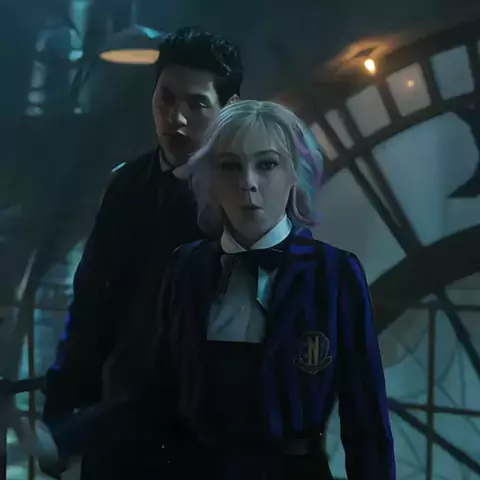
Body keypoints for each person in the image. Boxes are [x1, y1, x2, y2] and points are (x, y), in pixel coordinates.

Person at [140, 99, 396, 479]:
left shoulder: (333, 274)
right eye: (230, 166)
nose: (248, 183)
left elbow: (366, 420)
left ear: (295, 174)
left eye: (267, 164)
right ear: (212, 178)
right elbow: (155, 400)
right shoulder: (186, 267)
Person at [40, 26, 243, 479]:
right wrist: (62, 416)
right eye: (165, 99)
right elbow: (91, 308)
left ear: (228, 109)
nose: (176, 118)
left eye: (197, 104)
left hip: (203, 443)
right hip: (116, 436)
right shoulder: (127, 186)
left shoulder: (245, 197)